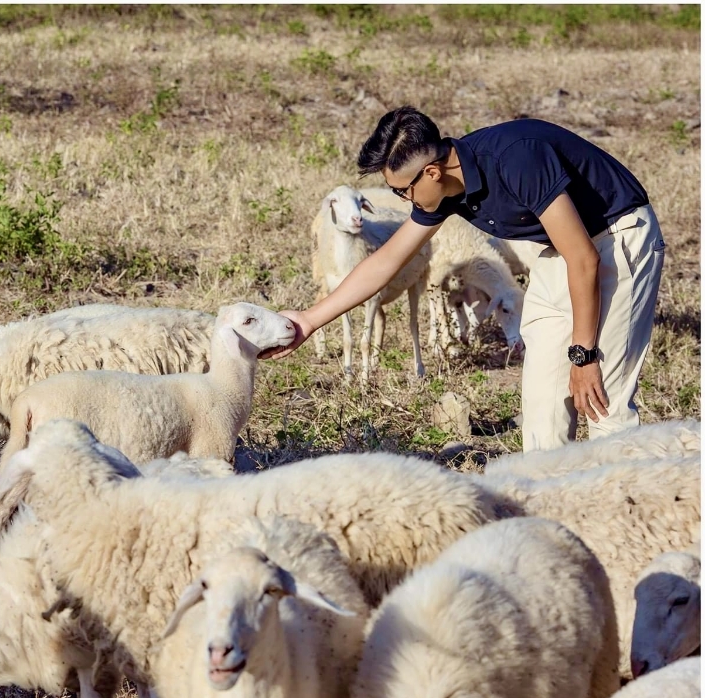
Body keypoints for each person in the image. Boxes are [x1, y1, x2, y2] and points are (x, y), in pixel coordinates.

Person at [262, 107, 665, 452]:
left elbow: (585, 260)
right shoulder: (444, 189)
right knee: (543, 408)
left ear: (432, 172)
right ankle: (549, 517)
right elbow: (387, 260)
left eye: (402, 191)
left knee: (601, 402)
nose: (402, 200)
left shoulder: (516, 158)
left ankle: (623, 520)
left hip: (617, 238)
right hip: (562, 251)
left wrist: (584, 355)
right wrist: (309, 321)